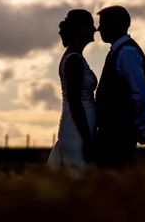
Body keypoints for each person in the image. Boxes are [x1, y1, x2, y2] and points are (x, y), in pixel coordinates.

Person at [95, 5, 145, 167]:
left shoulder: (126, 52)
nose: (99, 29)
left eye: (103, 24)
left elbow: (140, 95)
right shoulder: (118, 51)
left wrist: (138, 128)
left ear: (116, 25)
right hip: (114, 132)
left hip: (118, 134)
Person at [48, 9, 98, 170]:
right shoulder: (74, 60)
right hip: (78, 126)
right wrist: (86, 140)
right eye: (90, 25)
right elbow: (75, 101)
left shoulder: (76, 57)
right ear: (81, 29)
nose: (94, 29)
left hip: (81, 121)